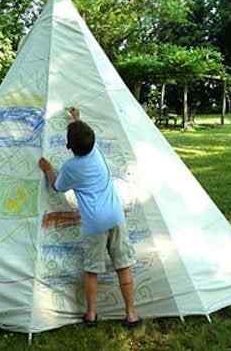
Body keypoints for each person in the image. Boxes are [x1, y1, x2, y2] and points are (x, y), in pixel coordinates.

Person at [38, 108, 141, 328]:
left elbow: (57, 186)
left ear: (68, 146)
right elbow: (85, 137)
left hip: (94, 224)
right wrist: (77, 119)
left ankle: (91, 314)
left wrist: (48, 168)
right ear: (93, 142)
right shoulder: (97, 154)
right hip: (116, 216)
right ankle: (131, 314)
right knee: (124, 266)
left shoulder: (70, 168)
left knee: (92, 270)